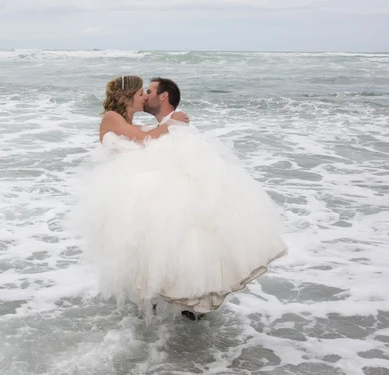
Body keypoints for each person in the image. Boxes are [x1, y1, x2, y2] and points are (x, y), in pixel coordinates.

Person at [76, 75, 288, 323]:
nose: (144, 96)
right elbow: (143, 138)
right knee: (146, 243)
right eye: (141, 92)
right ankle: (158, 301)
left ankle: (177, 299)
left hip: (135, 189)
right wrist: (171, 123)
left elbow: (148, 135)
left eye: (148, 91)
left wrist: (171, 124)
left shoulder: (132, 121)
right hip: (121, 190)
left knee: (168, 238)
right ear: (129, 95)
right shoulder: (112, 117)